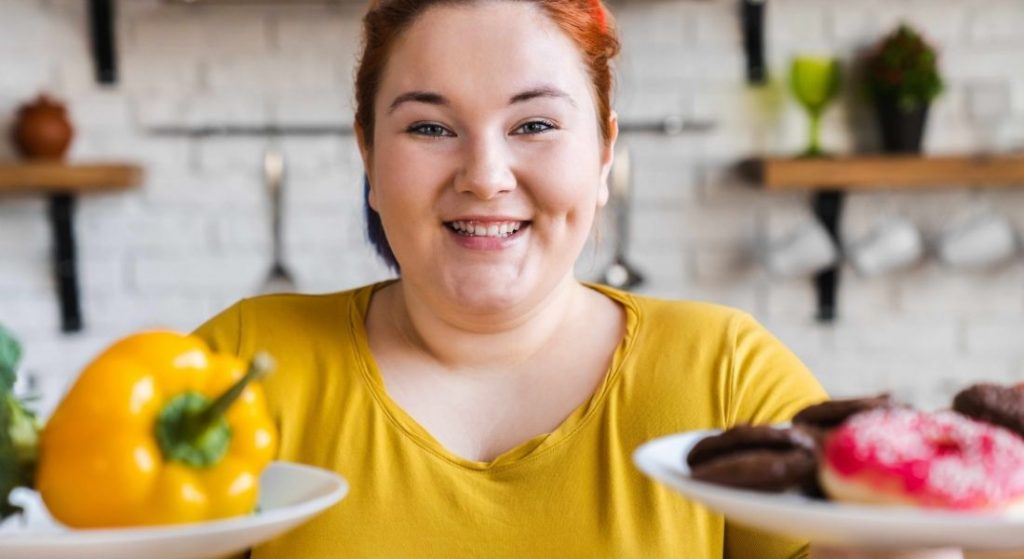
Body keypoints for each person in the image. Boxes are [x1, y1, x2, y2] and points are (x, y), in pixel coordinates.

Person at [195, 0, 962, 557]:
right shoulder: (237, 369)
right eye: (430, 126)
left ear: (603, 154)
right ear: (368, 154)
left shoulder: (727, 375)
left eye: (534, 124)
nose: (486, 177)